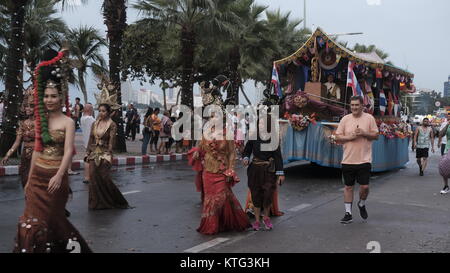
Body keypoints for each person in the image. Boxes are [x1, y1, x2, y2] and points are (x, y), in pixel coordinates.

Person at [14, 49, 91, 253]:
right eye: (46, 96)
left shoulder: (68, 122)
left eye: (53, 96)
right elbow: (38, 151)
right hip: (38, 177)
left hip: (55, 181)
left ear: (61, 97)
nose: (49, 100)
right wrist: (30, 180)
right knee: (29, 225)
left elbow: (68, 152)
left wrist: (59, 175)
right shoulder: (42, 120)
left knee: (53, 227)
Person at [188, 117, 250, 235]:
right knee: (210, 199)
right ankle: (212, 225)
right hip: (208, 171)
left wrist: (231, 170)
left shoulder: (228, 135)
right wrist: (197, 152)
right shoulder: (207, 133)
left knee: (220, 198)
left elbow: (232, 154)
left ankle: (227, 222)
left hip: (222, 170)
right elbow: (201, 147)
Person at [335, 96, 379, 224]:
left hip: (364, 160)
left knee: (364, 187)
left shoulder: (369, 118)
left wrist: (364, 133)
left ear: (362, 106)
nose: (354, 107)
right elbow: (337, 138)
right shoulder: (345, 119)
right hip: (348, 160)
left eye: (356, 105)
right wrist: (350, 137)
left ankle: (362, 203)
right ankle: (348, 213)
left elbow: (376, 135)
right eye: (352, 105)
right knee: (348, 187)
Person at [242, 117, 285, 231]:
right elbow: (247, 150)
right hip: (255, 169)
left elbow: (278, 157)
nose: (261, 125)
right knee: (255, 194)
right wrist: (246, 158)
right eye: (259, 123)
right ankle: (256, 221)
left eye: (263, 123)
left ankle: (266, 217)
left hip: (268, 171)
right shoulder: (253, 136)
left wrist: (280, 174)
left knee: (267, 195)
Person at [85, 103, 130, 210]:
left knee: (104, 177)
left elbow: (112, 141)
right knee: (92, 176)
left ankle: (114, 199)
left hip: (105, 153)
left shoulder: (112, 124)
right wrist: (87, 152)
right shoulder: (94, 123)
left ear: (108, 112)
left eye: (104, 111)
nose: (101, 113)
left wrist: (109, 154)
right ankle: (95, 203)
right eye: (99, 110)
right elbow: (91, 138)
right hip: (93, 153)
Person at [1, 87, 35, 188]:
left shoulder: (42, 123)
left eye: (31, 106)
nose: (28, 108)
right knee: (25, 181)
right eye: (26, 106)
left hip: (38, 156)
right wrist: (8, 154)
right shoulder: (22, 123)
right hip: (25, 156)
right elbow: (17, 142)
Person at [80, 103, 95, 184]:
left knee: (87, 159)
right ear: (90, 109)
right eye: (92, 108)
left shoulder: (82, 118)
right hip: (92, 142)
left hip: (86, 142)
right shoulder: (90, 119)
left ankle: (87, 177)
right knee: (90, 160)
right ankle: (88, 177)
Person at [438, 118, 450, 194]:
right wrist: (447, 125)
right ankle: (446, 186)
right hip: (447, 148)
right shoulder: (447, 124)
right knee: (444, 166)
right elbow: (441, 134)